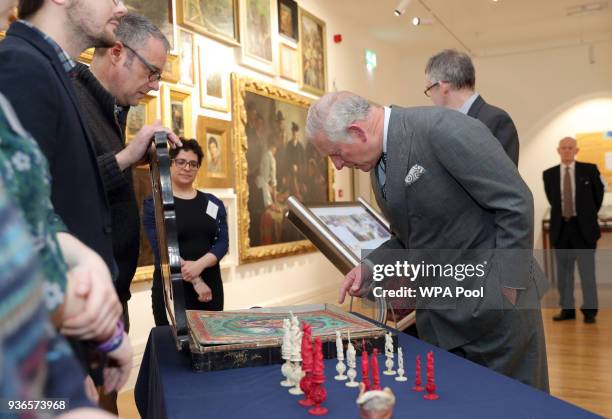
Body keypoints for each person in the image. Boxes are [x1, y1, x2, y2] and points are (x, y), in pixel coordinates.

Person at [305, 91, 549, 391]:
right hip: (443, 319)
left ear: (357, 131)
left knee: (512, 406)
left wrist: (507, 288)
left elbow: (515, 202)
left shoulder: (443, 128)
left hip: (495, 317)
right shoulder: (378, 162)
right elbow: (411, 237)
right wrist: (368, 267)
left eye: (336, 153)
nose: (338, 165)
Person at [71, 12, 179, 413]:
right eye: (152, 72)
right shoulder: (71, 99)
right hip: (79, 304)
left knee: (108, 400)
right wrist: (128, 155)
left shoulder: (111, 110)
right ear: (118, 53)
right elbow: (62, 188)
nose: (154, 86)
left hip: (111, 294)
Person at [143, 139, 228, 325]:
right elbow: (161, 247)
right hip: (172, 287)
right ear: (170, 163)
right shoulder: (155, 204)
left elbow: (222, 243)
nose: (187, 168)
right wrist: (196, 280)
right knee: (173, 349)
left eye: (193, 164)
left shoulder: (213, 203)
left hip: (210, 286)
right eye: (180, 162)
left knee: (208, 346)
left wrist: (199, 266)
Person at [543, 137, 604, 324]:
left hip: (583, 229)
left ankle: (590, 311)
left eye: (570, 148)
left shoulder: (589, 170)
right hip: (561, 229)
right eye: (564, 148)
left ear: (576, 150)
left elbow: (598, 196)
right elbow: (552, 200)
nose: (567, 151)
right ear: (558, 150)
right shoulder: (549, 174)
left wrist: (586, 215)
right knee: (564, 274)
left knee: (587, 273)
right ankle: (567, 309)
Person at [424, 49, 520, 166]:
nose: (431, 98)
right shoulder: (441, 126)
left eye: (429, 89)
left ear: (443, 86)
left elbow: (504, 179)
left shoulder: (496, 120)